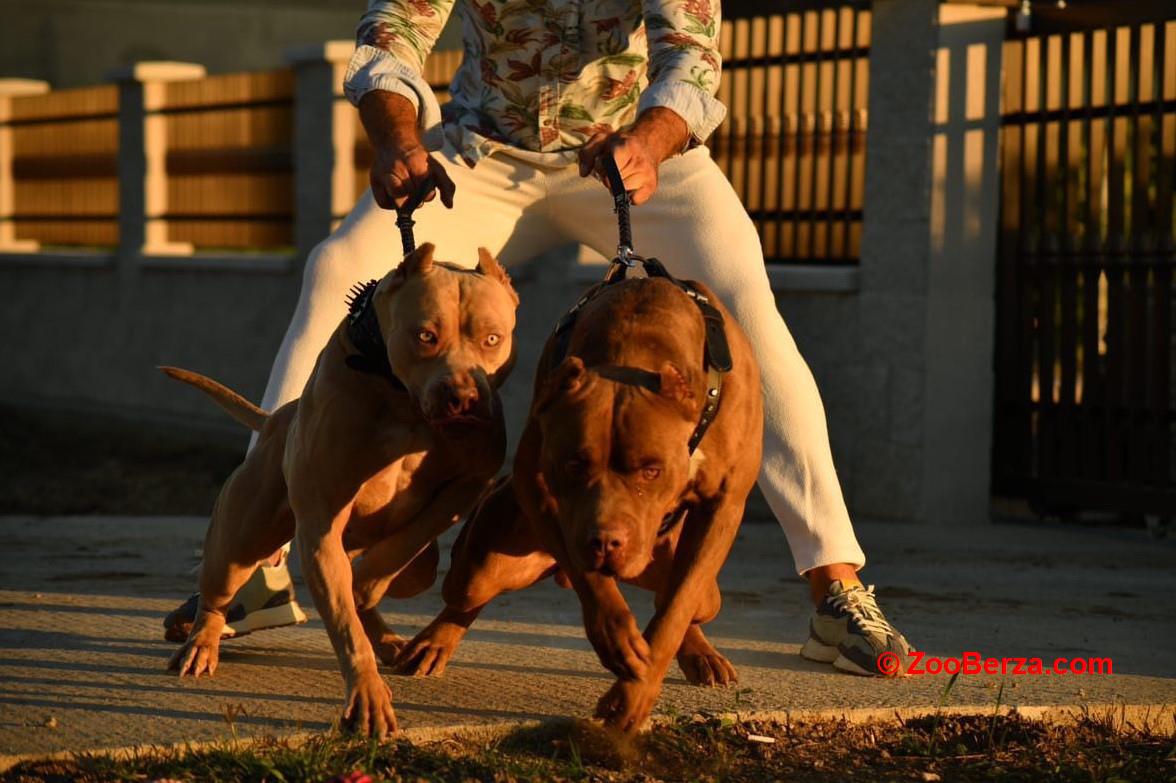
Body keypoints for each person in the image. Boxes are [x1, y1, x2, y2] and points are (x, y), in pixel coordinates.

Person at [165, 0, 911, 677]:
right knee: (337, 269)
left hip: (639, 154)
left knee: (750, 315)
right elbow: (392, 30)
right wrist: (396, 135)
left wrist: (651, 141)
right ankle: (263, 561)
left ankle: (835, 589)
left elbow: (693, 55)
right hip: (481, 155)